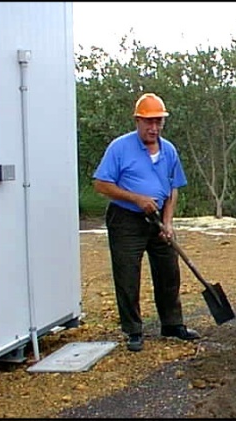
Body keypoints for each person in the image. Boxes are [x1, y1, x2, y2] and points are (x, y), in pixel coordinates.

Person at [93, 92, 201, 352]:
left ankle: (172, 324)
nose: (153, 128)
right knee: (127, 273)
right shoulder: (120, 148)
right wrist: (136, 198)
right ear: (137, 121)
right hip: (126, 218)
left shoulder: (169, 150)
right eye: (148, 122)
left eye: (158, 122)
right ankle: (133, 330)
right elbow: (101, 184)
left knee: (168, 271)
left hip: (158, 218)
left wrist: (168, 222)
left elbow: (174, 187)